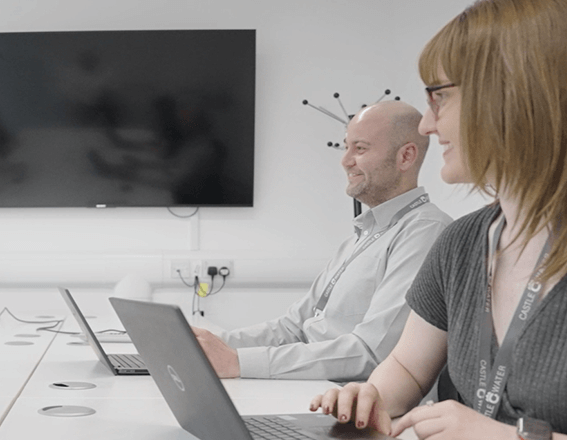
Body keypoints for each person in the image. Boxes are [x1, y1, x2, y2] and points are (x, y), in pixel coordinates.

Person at [309, 0, 567, 440]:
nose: (428, 125)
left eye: (440, 98)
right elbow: (409, 370)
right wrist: (370, 398)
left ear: (516, 95)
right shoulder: (461, 243)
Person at [194, 100, 452, 380]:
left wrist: (240, 363)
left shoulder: (424, 232)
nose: (345, 160)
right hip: (317, 388)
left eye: (361, 148)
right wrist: (213, 344)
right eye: (346, 147)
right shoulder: (362, 236)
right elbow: (293, 328)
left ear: (406, 157)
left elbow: (372, 353)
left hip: (354, 403)